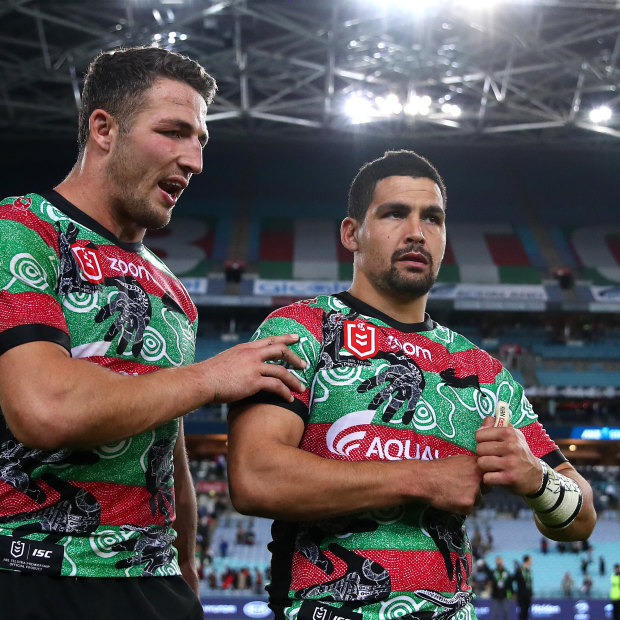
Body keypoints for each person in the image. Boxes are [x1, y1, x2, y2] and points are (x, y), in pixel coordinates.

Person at [0, 46, 305, 620]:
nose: (194, 160)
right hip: (35, 572)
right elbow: (44, 410)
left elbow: (170, 449)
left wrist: (185, 571)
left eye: (201, 141)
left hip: (155, 583)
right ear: (103, 129)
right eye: (173, 132)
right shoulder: (22, 230)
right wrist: (210, 376)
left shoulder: (172, 289)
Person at [226, 149, 597, 620]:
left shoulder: (479, 369)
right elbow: (254, 477)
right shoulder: (303, 330)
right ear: (351, 233)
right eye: (395, 213)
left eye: (433, 219)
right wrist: (425, 480)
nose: (416, 232)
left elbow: (581, 515)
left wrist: (537, 478)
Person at [489, 556, 512, 620]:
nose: (499, 562)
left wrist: (512, 593)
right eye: (498, 560)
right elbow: (490, 581)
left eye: (500, 560)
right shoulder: (493, 572)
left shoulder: (506, 572)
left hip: (504, 594)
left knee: (506, 611)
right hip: (495, 595)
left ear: (502, 562)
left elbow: (509, 583)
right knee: (495, 613)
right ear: (496, 562)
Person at [512, 555, 533, 620]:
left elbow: (529, 582)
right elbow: (513, 579)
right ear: (527, 560)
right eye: (531, 560)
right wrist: (514, 592)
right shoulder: (520, 570)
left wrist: (531, 592)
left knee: (526, 611)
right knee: (522, 611)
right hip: (521, 594)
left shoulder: (529, 570)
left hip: (528, 594)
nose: (532, 561)